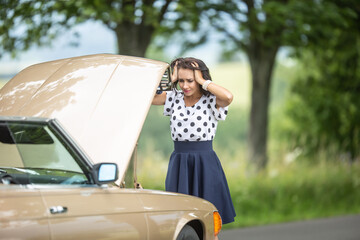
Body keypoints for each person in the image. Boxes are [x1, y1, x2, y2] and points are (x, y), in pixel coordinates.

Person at [152, 57, 236, 227]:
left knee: (209, 226)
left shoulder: (212, 100)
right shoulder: (173, 97)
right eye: (181, 81)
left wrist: (203, 81)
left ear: (199, 78)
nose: (185, 86)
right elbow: (149, 97)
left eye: (190, 80)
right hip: (179, 164)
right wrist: (171, 80)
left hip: (205, 165)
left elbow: (228, 96)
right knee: (179, 223)